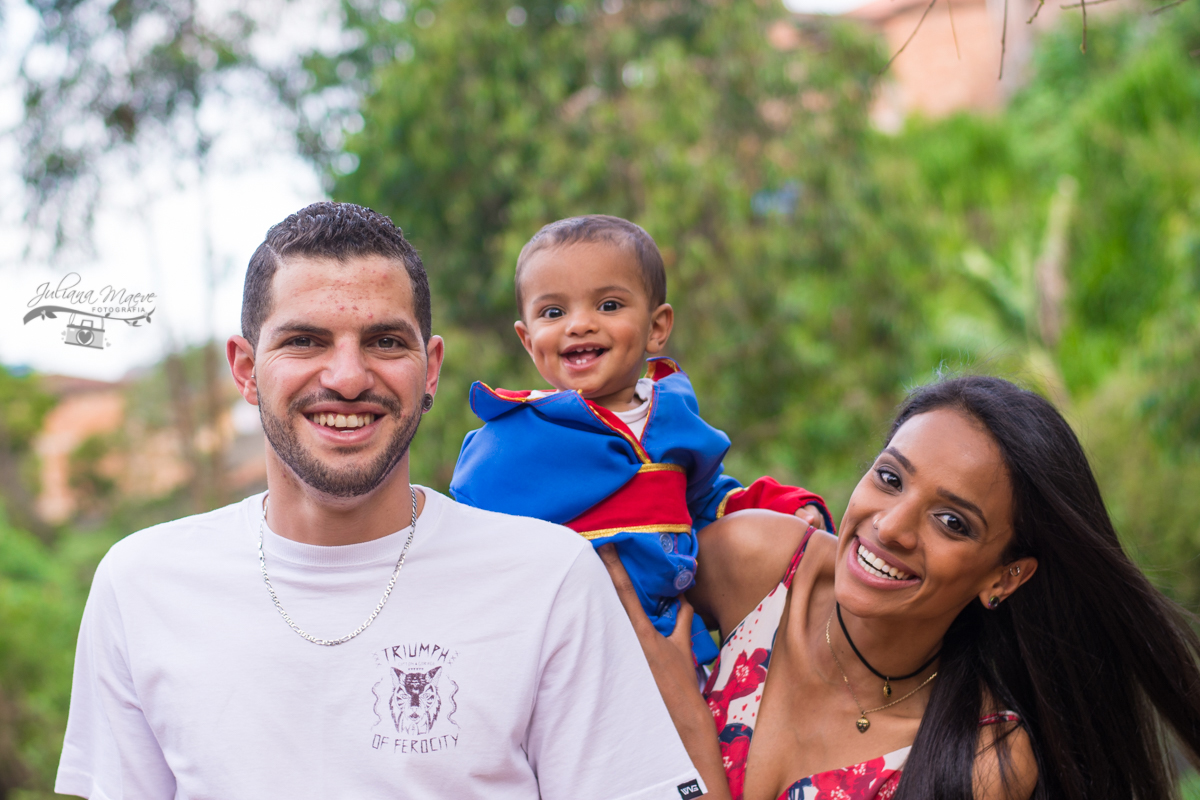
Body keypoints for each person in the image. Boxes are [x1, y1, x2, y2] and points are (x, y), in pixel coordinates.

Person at [54, 202, 708, 800]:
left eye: (385, 342)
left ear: (430, 369)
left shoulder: (550, 577)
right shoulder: (141, 586)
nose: (346, 377)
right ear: (247, 370)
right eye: (305, 340)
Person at [601, 375, 1200, 800]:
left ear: (1004, 576)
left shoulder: (980, 764)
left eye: (951, 522)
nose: (890, 527)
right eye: (890, 478)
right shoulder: (759, 566)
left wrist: (687, 728)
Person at [450, 215, 831, 667]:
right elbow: (467, 546)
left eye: (609, 306)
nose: (579, 325)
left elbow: (707, 501)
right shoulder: (512, 439)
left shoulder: (671, 419)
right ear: (528, 339)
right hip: (565, 656)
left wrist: (785, 507)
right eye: (554, 312)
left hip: (671, 647)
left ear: (656, 327)